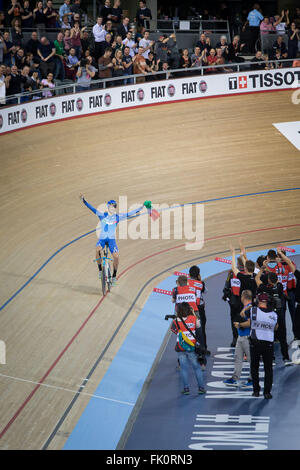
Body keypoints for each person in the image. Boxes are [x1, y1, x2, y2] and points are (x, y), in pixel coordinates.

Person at [79, 196, 148, 284]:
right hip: (102, 239)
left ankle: (114, 275)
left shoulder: (118, 216)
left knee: (116, 256)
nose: (113, 208)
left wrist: (141, 207)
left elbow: (130, 213)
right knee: (97, 250)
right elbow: (92, 209)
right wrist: (84, 201)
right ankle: (100, 270)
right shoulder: (102, 215)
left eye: (115, 206)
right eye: (112, 206)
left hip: (111, 240)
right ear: (108, 207)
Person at [170, 302, 206, 395]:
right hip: (192, 347)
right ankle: (201, 388)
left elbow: (173, 330)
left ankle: (186, 389)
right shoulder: (194, 319)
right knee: (197, 368)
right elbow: (199, 331)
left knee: (184, 368)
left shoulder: (175, 321)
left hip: (181, 346)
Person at [248, 292, 278, 399]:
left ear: (258, 301)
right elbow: (275, 328)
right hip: (268, 344)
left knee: (254, 367)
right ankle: (267, 392)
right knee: (268, 369)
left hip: (255, 343)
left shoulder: (253, 311)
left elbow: (244, 315)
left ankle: (256, 390)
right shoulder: (274, 315)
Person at [224, 290, 253, 388]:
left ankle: (252, 379)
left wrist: (239, 324)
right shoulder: (247, 307)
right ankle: (235, 378)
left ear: (243, 297)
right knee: (238, 358)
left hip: (247, 338)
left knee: (250, 360)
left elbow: (250, 323)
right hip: (241, 337)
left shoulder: (249, 308)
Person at [277, 249, 300, 343]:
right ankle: (296, 335)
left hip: (283, 293)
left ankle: (282, 337)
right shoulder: (292, 264)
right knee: (294, 315)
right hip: (291, 292)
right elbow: (290, 263)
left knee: (282, 316)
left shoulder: (277, 266)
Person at [188, 265, 209, 355]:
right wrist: (199, 280)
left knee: (189, 328)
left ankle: (190, 348)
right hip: (199, 309)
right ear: (198, 275)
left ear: (189, 274)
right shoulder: (200, 283)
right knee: (201, 329)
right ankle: (203, 348)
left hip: (188, 309)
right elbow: (206, 291)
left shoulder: (186, 282)